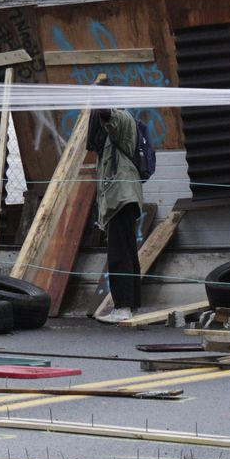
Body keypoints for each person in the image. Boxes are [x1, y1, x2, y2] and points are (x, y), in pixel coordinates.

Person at [87, 105, 144, 323]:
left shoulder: (120, 120)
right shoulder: (109, 137)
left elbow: (108, 116)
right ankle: (130, 305)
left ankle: (123, 307)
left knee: (119, 254)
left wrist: (97, 99)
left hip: (121, 199)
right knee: (127, 251)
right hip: (121, 198)